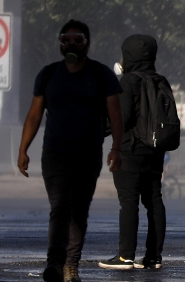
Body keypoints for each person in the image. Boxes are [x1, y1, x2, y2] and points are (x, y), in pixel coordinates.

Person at [17, 20, 123, 282]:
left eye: (77, 40)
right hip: (55, 154)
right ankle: (54, 264)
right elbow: (34, 115)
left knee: (79, 211)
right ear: (60, 44)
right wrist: (23, 150)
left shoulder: (101, 75)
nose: (71, 45)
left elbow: (116, 114)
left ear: (87, 43)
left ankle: (70, 265)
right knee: (60, 208)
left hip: (88, 155)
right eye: (66, 40)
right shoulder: (48, 74)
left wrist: (116, 148)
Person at [99, 35, 170, 271]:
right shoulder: (161, 80)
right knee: (154, 201)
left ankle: (125, 256)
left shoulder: (127, 82)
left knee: (129, 201)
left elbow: (122, 117)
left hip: (130, 149)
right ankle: (153, 257)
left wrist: (100, 132)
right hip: (156, 149)